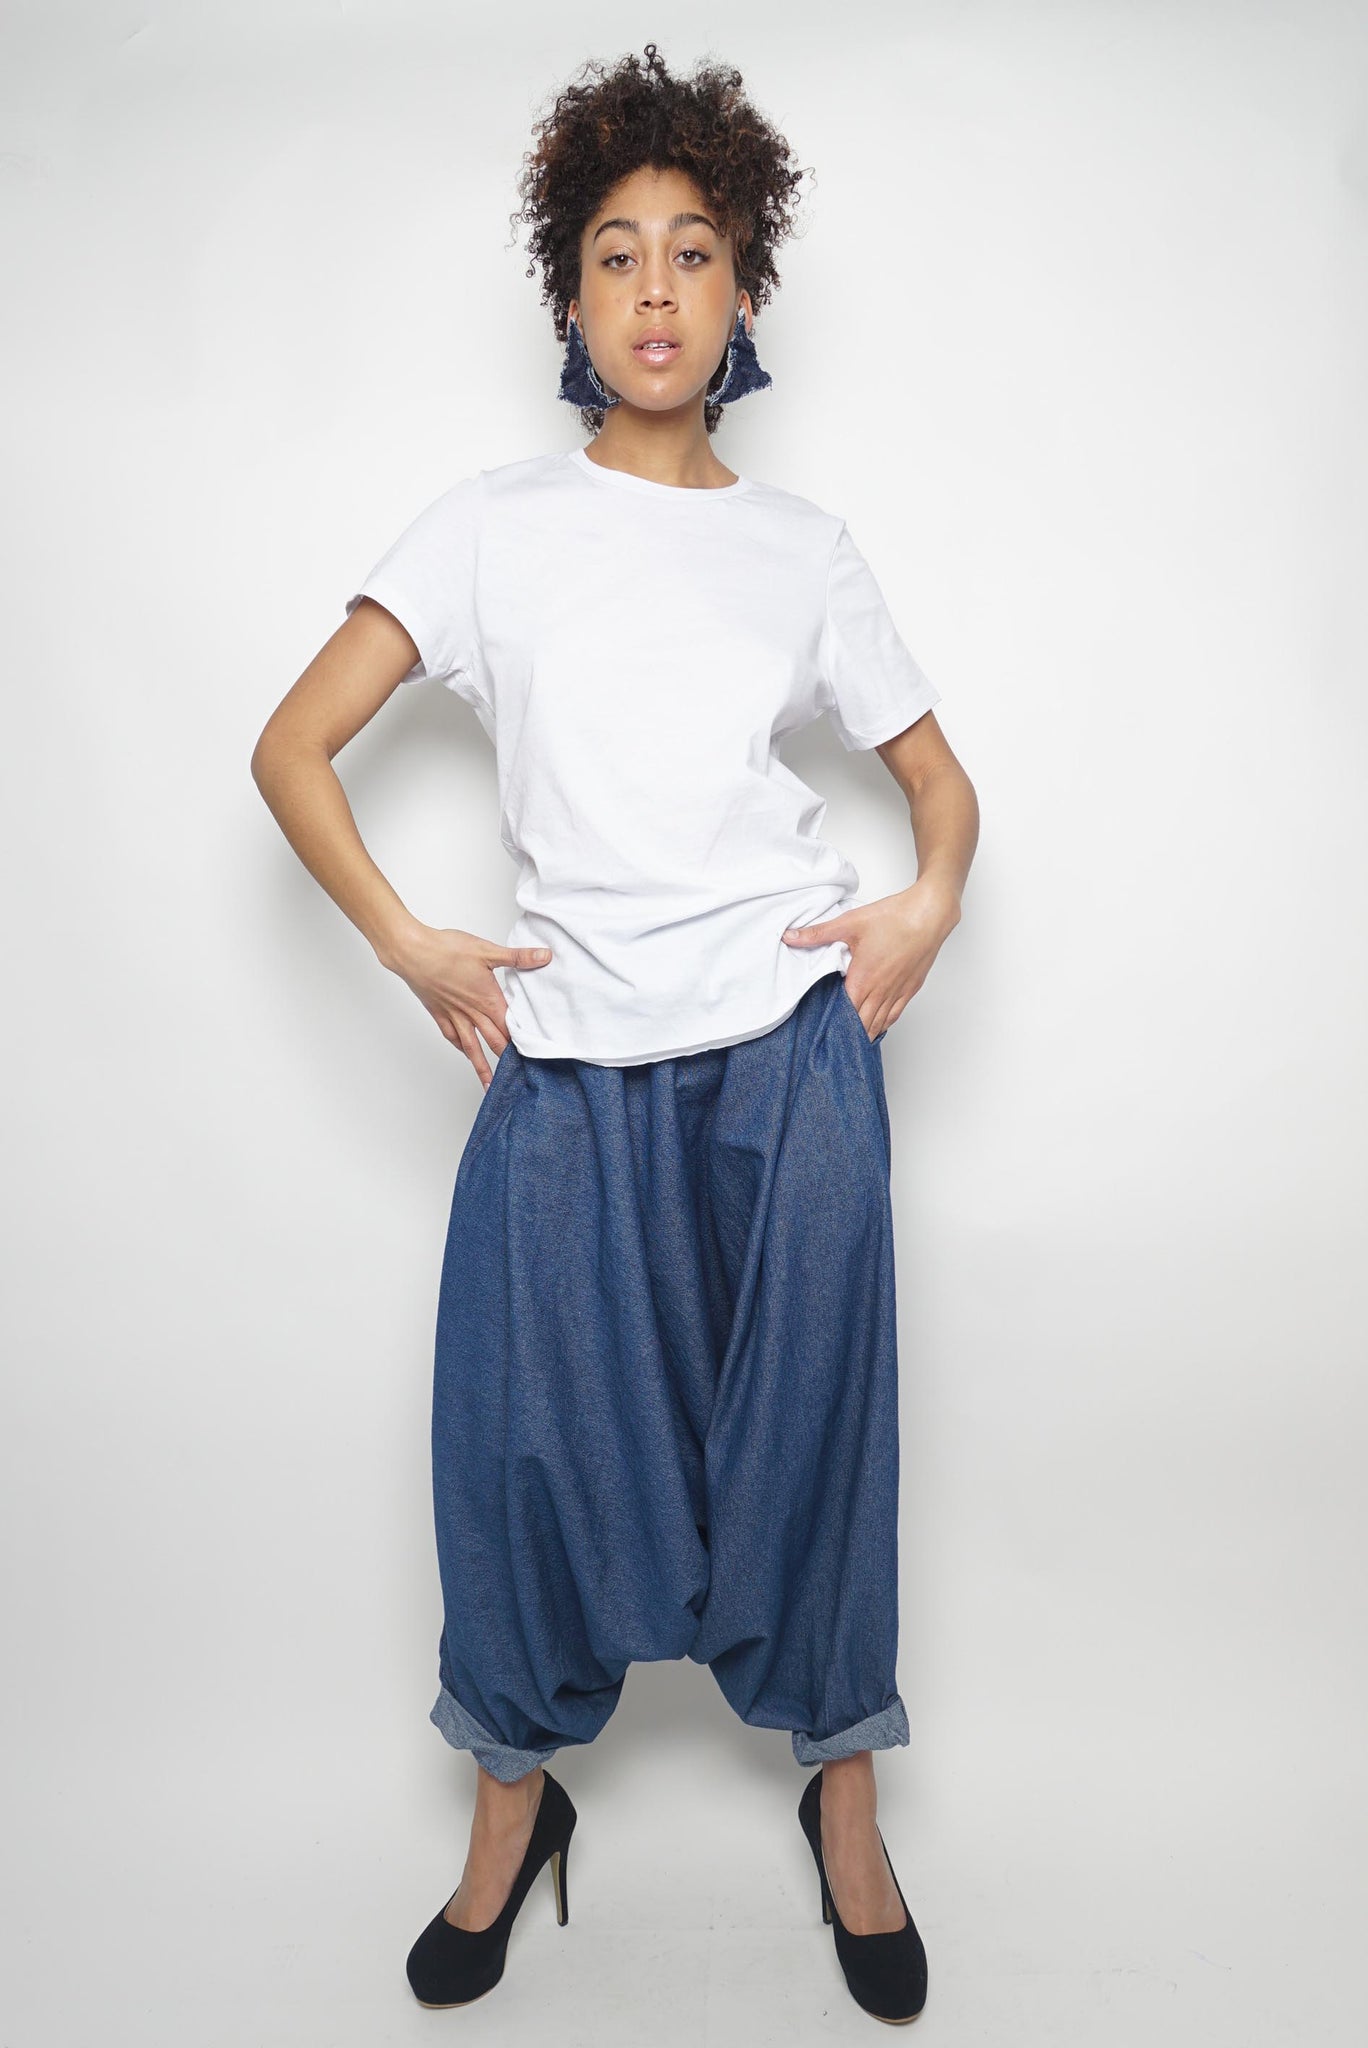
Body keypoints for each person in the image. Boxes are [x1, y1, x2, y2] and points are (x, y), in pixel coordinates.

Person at [251, 42, 978, 2025]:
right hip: (567, 1072)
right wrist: (410, 941)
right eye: (616, 254)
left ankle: (844, 1803)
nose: (657, 288)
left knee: (816, 1437)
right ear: (569, 300)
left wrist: (924, 905)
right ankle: (514, 1810)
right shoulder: (491, 526)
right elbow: (293, 745)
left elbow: (941, 790)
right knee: (523, 1457)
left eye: (696, 251)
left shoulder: (803, 550)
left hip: (788, 1061)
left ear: (745, 292)